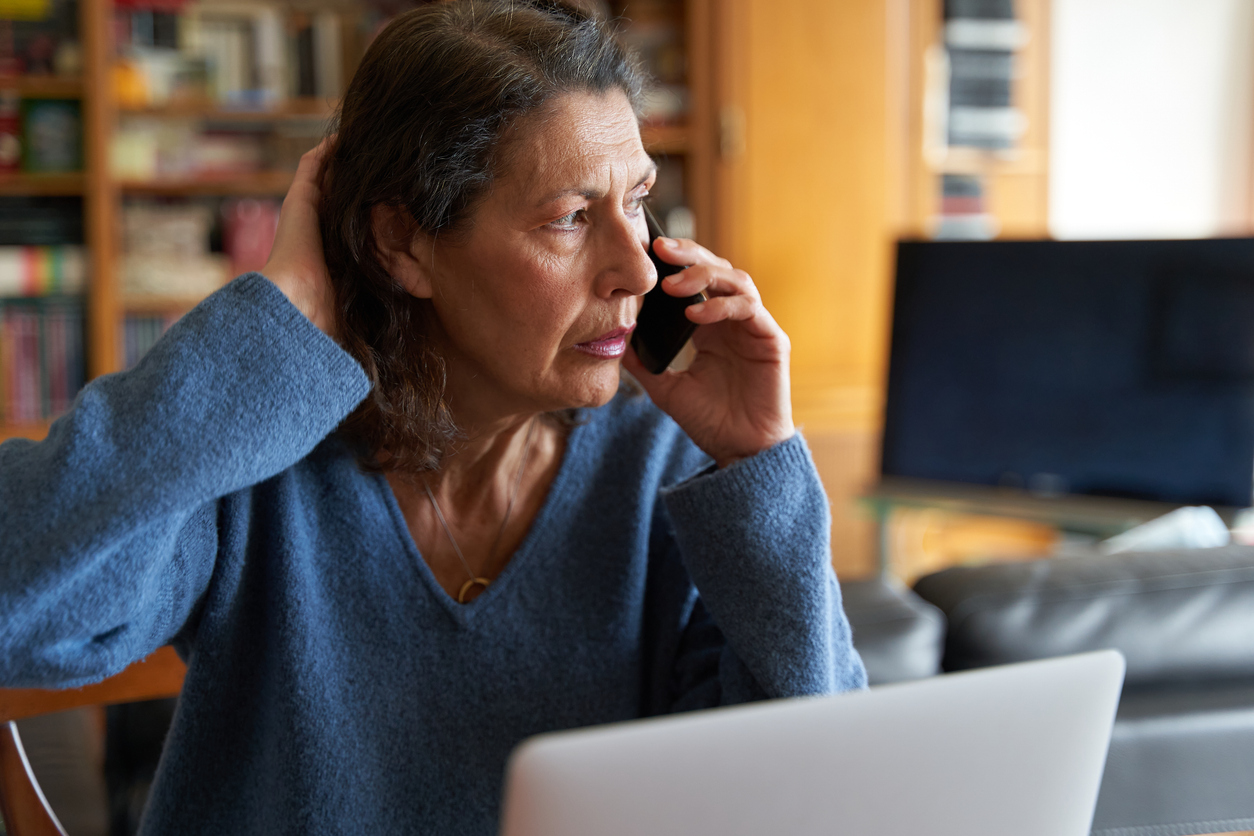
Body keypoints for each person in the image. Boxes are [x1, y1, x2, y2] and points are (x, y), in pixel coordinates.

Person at [0, 2, 865, 833]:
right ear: (401, 246)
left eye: (636, 202)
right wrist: (279, 317)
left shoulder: (664, 468)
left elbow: (818, 793)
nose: (636, 272)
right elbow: (17, 607)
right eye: (569, 218)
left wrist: (760, 465)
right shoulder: (254, 458)